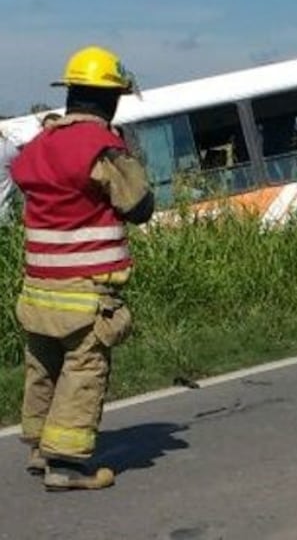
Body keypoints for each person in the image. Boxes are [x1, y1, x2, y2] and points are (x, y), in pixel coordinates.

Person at [10, 46, 154, 491]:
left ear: (70, 92)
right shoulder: (102, 148)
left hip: (38, 289)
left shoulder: (40, 145)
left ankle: (39, 447)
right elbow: (139, 206)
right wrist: (123, 149)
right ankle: (66, 465)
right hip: (86, 291)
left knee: (44, 368)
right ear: (110, 98)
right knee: (84, 369)